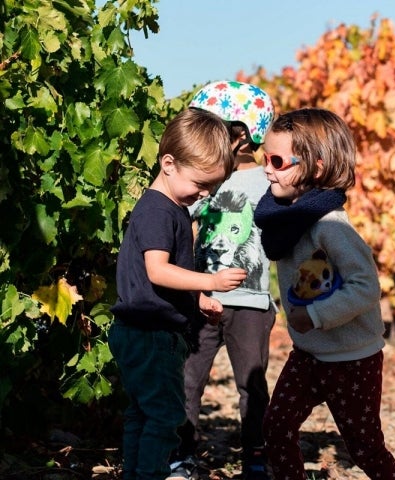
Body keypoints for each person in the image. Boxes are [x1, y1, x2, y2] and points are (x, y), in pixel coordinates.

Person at [254, 107, 395, 479]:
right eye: (264, 158)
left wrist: (316, 316)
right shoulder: (285, 219)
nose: (267, 168)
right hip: (309, 354)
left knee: (365, 447)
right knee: (276, 428)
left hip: (353, 358)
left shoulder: (331, 228)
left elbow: (366, 287)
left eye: (277, 160)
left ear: (316, 169)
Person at [109, 108, 247, 480]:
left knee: (144, 412)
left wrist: (198, 301)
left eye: (213, 189)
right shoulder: (159, 211)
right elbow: (157, 270)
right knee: (165, 415)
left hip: (142, 330)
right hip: (150, 334)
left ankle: (136, 473)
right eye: (201, 184)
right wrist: (210, 283)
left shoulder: (171, 208)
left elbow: (159, 278)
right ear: (168, 163)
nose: (205, 194)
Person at [168, 81, 276, 480]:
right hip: (203, 298)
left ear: (242, 134)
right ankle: (181, 455)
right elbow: (189, 230)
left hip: (252, 302)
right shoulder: (206, 175)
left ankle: (256, 458)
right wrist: (194, 287)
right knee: (189, 379)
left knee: (252, 385)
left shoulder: (267, 181)